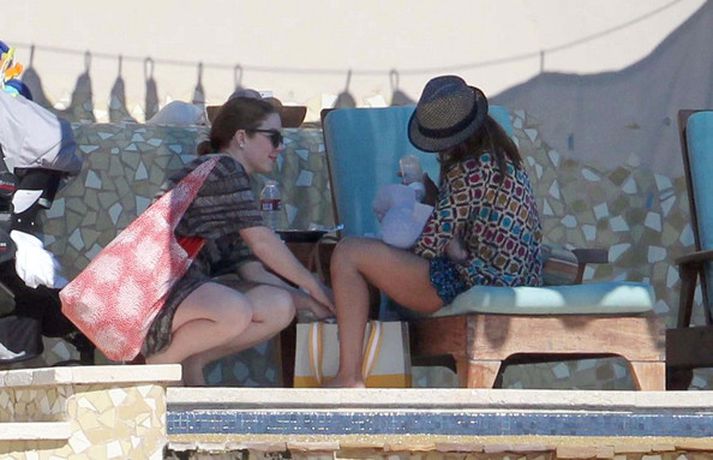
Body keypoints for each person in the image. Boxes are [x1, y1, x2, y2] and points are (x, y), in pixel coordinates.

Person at [326, 75, 543, 387]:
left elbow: (428, 245)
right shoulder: (502, 158)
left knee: (348, 253)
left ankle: (349, 376)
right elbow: (465, 222)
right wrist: (431, 194)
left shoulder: (469, 169)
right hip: (513, 277)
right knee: (368, 256)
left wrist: (400, 225)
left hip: (474, 278)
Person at [143, 96, 334, 385]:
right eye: (274, 137)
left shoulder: (236, 182)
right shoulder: (222, 169)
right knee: (234, 310)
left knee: (279, 305)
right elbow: (263, 243)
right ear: (241, 138)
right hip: (153, 295)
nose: (280, 147)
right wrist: (314, 286)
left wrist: (308, 302)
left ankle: (193, 363)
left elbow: (252, 270)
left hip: (180, 293)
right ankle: (159, 367)